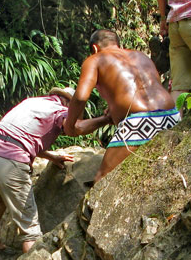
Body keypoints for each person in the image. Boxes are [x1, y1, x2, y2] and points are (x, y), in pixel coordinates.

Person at [0, 88, 110, 252]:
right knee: (31, 231)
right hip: (9, 165)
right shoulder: (61, 110)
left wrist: (52, 157)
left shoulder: (31, 103)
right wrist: (105, 119)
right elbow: (76, 128)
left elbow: (20, 138)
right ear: (71, 105)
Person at [64, 29, 179, 183]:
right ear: (118, 44)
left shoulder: (95, 59)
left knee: (102, 182)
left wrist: (70, 125)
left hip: (140, 123)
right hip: (171, 117)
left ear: (95, 48)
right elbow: (147, 90)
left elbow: (80, 97)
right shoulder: (141, 56)